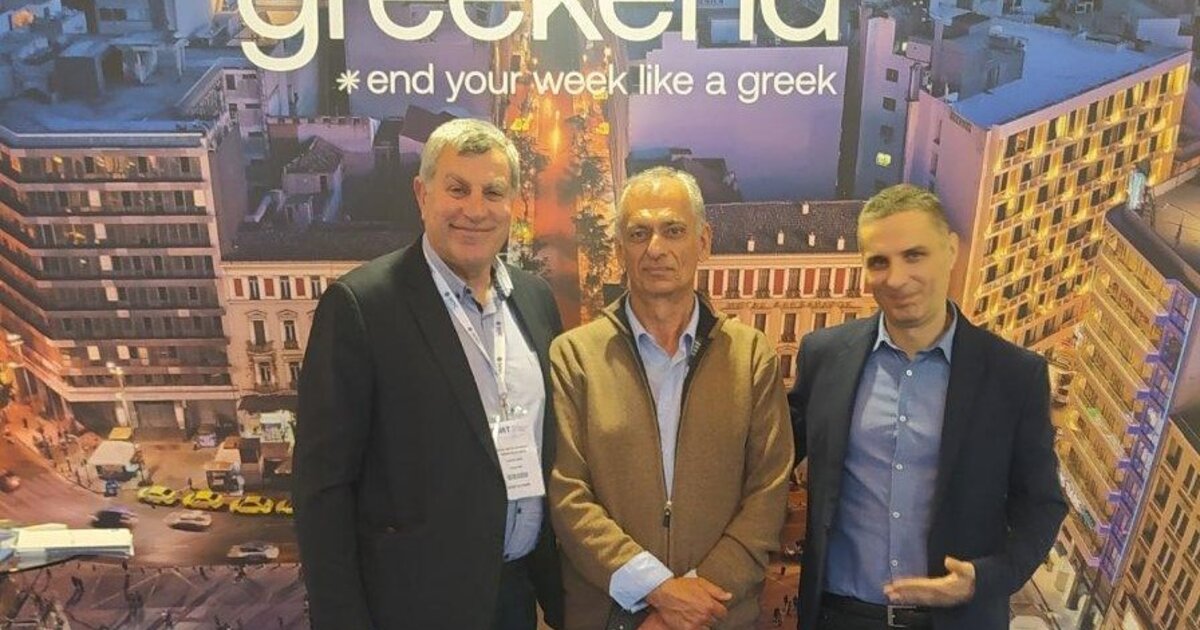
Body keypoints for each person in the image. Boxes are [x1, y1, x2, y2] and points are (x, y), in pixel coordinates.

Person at [294, 118, 564, 629]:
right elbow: (323, 491)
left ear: (513, 203)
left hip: (514, 598)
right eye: (457, 190)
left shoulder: (535, 299)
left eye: (493, 192)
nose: (475, 210)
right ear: (422, 194)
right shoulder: (361, 307)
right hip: (411, 609)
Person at [788, 184, 1067, 629]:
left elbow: (1042, 506)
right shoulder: (823, 356)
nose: (897, 278)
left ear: (951, 250)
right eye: (879, 262)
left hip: (958, 619)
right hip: (840, 616)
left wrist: (982, 579)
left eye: (914, 255)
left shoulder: (1015, 376)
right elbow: (766, 459)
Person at [549, 167, 793, 629]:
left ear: (704, 242)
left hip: (717, 617)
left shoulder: (751, 356)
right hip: (609, 619)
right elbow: (567, 494)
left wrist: (691, 604)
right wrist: (658, 591)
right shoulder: (574, 356)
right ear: (619, 249)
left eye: (673, 230)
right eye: (638, 233)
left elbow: (768, 492)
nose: (655, 248)